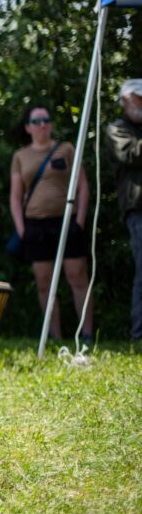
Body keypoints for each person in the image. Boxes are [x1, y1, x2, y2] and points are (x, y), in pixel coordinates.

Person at [10, 104, 93, 340]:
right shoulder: (20, 156)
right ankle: (54, 336)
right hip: (35, 226)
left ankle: (86, 334)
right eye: (36, 121)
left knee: (77, 276)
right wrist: (22, 229)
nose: (42, 124)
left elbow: (83, 185)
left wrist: (80, 220)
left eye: (46, 119)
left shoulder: (66, 149)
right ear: (28, 127)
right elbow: (15, 197)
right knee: (44, 283)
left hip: (67, 222)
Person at [106, 79, 142, 344]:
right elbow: (130, 155)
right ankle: (139, 334)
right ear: (125, 101)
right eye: (138, 98)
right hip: (138, 208)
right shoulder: (118, 130)